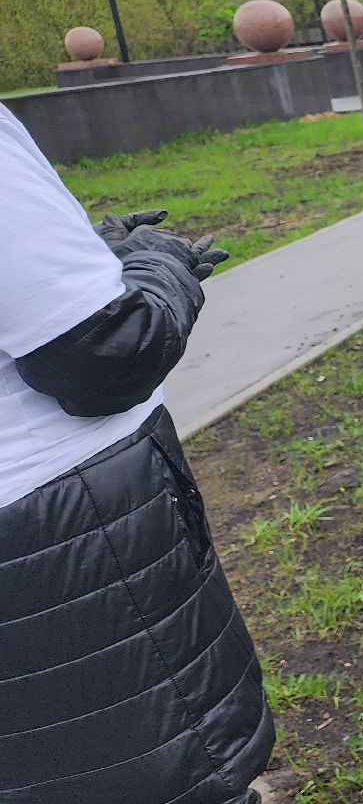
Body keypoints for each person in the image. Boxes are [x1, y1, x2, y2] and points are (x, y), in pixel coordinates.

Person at [0, 104, 274, 804]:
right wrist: (162, 269)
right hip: (60, 552)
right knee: (168, 776)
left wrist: (81, 257)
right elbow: (104, 353)